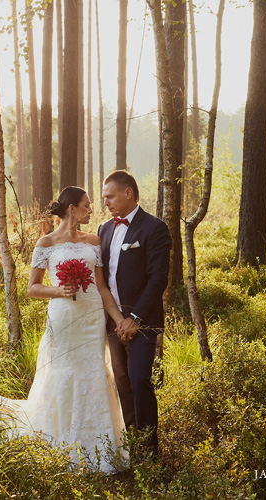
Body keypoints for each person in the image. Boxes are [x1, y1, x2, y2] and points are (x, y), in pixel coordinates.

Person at [0, 186, 127, 472]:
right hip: (63, 317)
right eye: (86, 205)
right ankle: (59, 444)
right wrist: (59, 290)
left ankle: (100, 449)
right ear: (71, 208)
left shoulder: (94, 240)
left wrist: (118, 317)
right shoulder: (45, 243)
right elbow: (32, 288)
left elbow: (100, 286)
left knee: (94, 372)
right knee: (62, 373)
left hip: (91, 317)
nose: (91, 209)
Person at [98, 170, 171, 457]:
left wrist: (135, 318)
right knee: (123, 384)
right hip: (113, 324)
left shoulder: (154, 228)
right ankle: (134, 451)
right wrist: (117, 319)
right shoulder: (104, 229)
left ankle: (150, 454)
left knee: (140, 381)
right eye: (104, 198)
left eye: (110, 196)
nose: (106, 202)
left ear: (128, 193)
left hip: (142, 323)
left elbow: (158, 279)